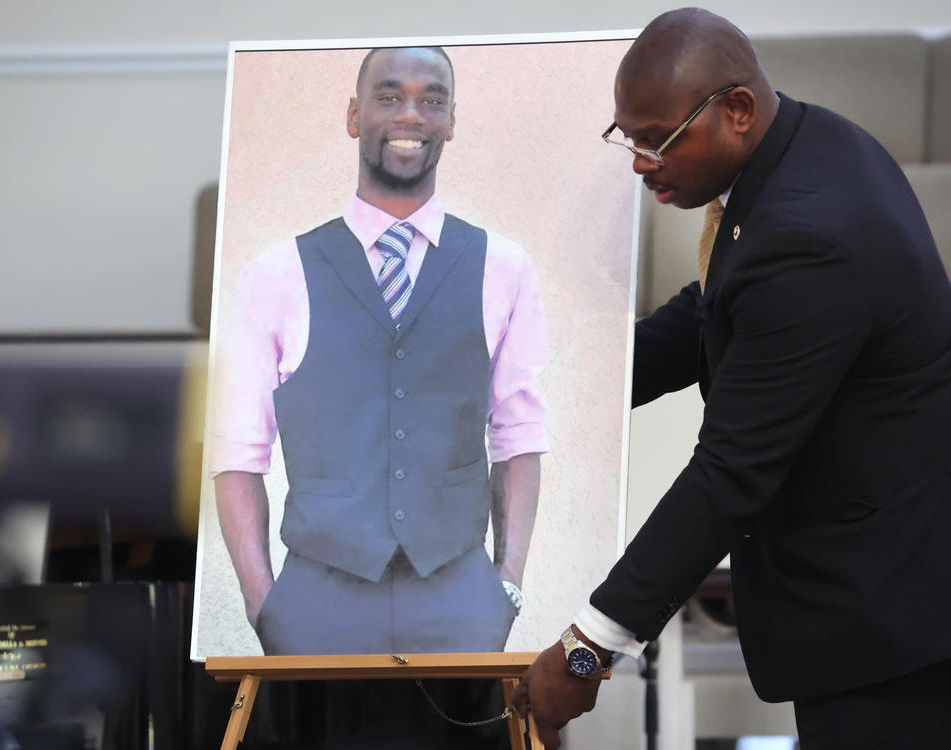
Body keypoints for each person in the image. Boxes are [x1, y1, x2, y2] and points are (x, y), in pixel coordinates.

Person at [513, 8, 951, 749]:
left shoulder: (809, 240)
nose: (638, 162)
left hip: (891, 628)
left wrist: (590, 647)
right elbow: (711, 311)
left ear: (737, 111)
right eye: (628, 136)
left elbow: (727, 475)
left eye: (657, 140)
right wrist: (541, 389)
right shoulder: (812, 147)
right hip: (879, 590)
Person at [210, 45, 548, 656]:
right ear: (352, 115)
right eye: (389, 97)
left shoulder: (506, 268)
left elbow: (519, 437)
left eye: (432, 100)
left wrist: (508, 585)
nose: (411, 115)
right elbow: (237, 450)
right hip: (317, 602)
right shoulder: (274, 274)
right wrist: (264, 602)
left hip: (460, 599)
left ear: (451, 122)